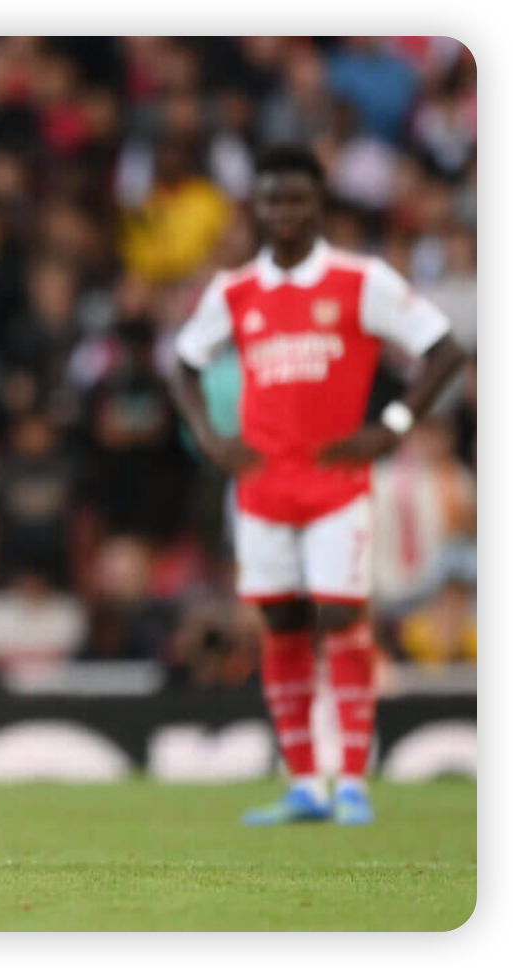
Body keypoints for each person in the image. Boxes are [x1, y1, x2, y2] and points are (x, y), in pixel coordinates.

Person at [169, 144, 466, 826]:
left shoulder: (361, 280)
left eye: (297, 198)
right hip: (264, 486)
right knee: (282, 623)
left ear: (319, 204)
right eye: (272, 200)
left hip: (336, 479)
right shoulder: (235, 290)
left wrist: (390, 425)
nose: (285, 213)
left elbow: (444, 348)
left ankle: (353, 781)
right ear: (258, 207)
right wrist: (214, 439)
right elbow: (183, 365)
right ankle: (305, 783)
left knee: (340, 616)